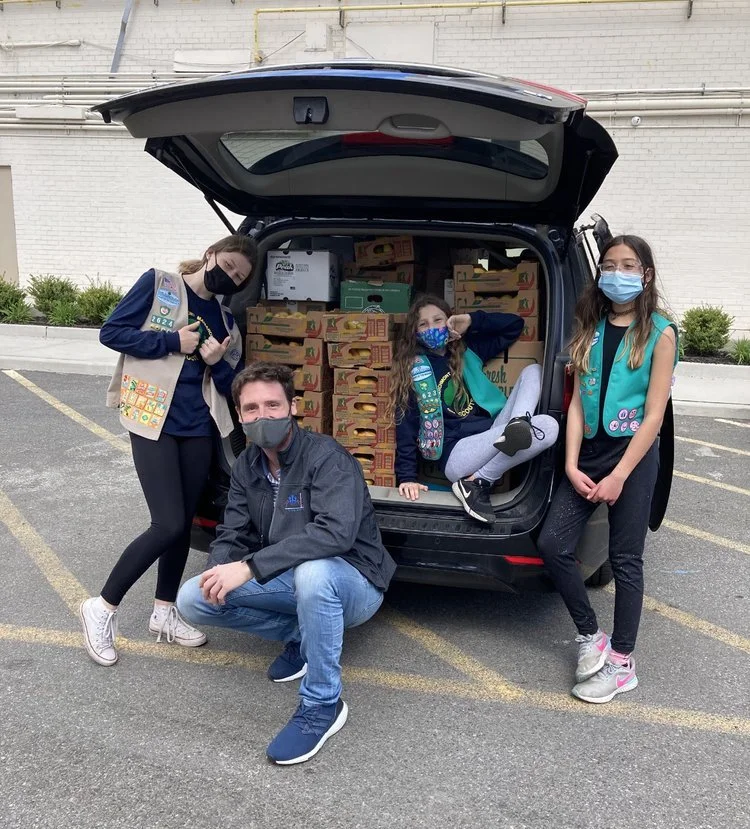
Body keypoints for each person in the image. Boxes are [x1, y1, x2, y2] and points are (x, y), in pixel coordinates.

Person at [176, 362, 396, 765]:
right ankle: (304, 636)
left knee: (314, 573)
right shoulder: (247, 465)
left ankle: (322, 704)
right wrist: (219, 569)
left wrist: (249, 567)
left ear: (293, 406)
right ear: (240, 416)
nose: (263, 416)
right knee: (193, 598)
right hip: (290, 575)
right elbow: (233, 531)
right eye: (252, 408)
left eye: (273, 405)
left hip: (353, 581)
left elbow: (335, 535)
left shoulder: (326, 457)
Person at [79, 233, 257, 667]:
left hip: (198, 428)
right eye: (228, 266)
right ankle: (101, 606)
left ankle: (164, 611)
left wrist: (216, 363)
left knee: (183, 523)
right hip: (151, 417)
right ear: (211, 254)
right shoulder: (160, 284)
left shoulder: (226, 321)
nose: (230, 277)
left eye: (239, 277)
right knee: (167, 522)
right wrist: (171, 343)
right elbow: (112, 333)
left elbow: (230, 386)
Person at [537, 235, 678, 704]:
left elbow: (654, 415)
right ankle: (590, 635)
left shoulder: (660, 333)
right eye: (609, 265)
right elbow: (578, 403)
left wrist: (620, 475)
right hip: (589, 454)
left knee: (625, 559)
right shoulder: (590, 328)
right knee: (553, 544)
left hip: (632, 457)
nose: (617, 273)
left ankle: (621, 662)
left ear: (646, 275)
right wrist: (571, 463)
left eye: (628, 265)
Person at [390, 294, 558, 524]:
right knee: (543, 426)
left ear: (449, 321)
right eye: (423, 324)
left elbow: (514, 325)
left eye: (438, 320)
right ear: (415, 332)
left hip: (494, 433)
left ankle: (517, 427)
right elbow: (406, 425)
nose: (432, 328)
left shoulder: (468, 351)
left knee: (538, 385)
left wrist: (470, 320)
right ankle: (481, 478)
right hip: (457, 453)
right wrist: (406, 477)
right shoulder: (416, 369)